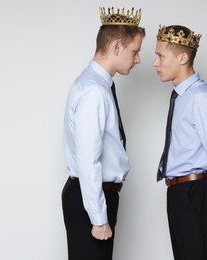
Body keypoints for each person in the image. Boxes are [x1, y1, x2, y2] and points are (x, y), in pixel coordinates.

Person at [61, 7, 145, 260]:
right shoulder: (94, 91)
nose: (138, 59)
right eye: (135, 51)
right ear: (117, 46)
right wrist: (98, 217)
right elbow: (88, 158)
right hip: (93, 196)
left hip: (93, 194)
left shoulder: (96, 85)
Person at [154, 24, 207, 260]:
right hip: (180, 193)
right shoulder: (182, 97)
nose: (155, 63)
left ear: (183, 57)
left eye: (161, 55)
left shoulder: (201, 98)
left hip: (195, 194)